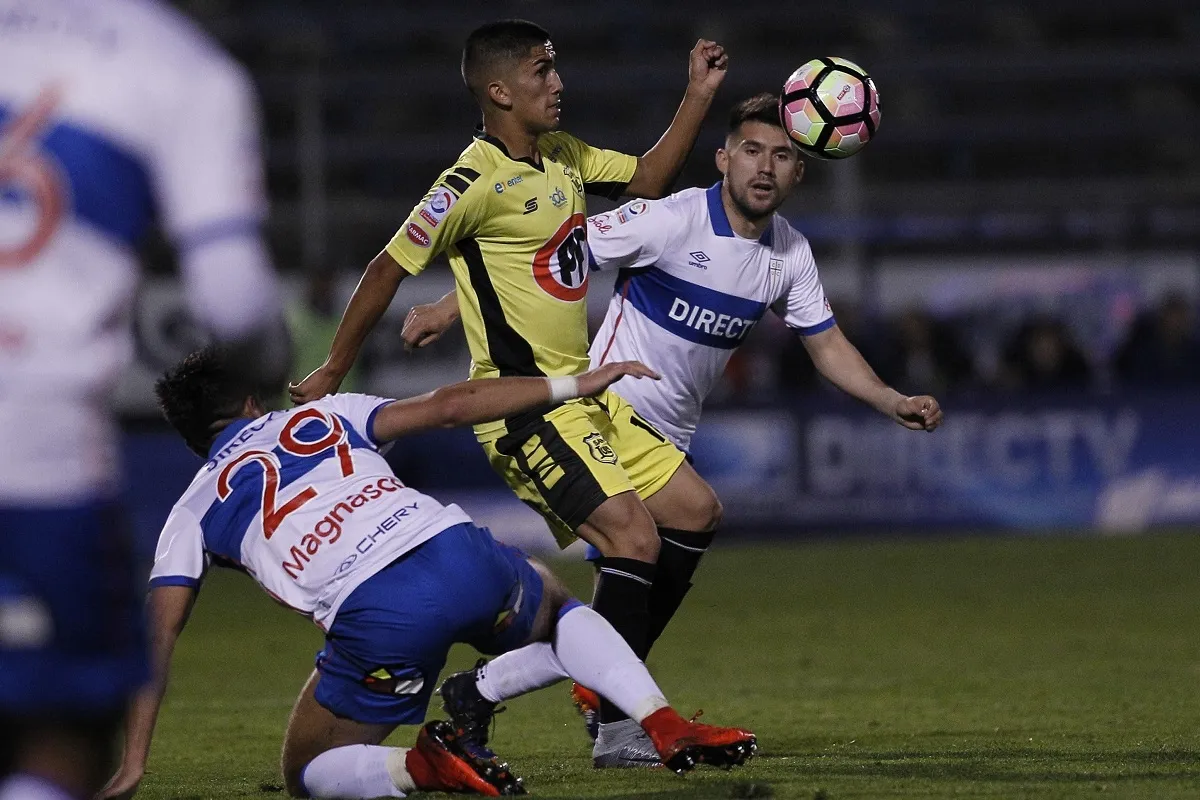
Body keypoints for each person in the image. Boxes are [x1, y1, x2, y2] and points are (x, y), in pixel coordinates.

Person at [404, 93, 944, 757]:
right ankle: (616, 719)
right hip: (600, 415)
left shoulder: (789, 255)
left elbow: (826, 344)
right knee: (666, 537)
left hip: (664, 439)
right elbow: (553, 254)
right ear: (723, 159)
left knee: (659, 562)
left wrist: (891, 400)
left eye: (781, 156)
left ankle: (500, 690)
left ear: (799, 172)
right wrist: (448, 306)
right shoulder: (669, 219)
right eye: (751, 150)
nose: (764, 167)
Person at [290, 19, 731, 766]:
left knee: (695, 511)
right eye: (540, 72)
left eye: (554, 69)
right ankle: (619, 728)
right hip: (524, 410)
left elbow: (648, 179)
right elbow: (387, 267)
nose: (557, 84)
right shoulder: (469, 182)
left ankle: (523, 686)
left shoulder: (563, 156)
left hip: (586, 394)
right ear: (499, 91)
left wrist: (696, 94)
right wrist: (334, 367)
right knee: (634, 539)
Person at [100, 347, 756, 799]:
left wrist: (133, 761)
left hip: (377, 615)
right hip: (455, 551)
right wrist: (573, 384)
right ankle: (657, 719)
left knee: (308, 770)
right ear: (250, 401)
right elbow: (449, 405)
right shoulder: (323, 415)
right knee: (561, 611)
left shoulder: (191, 510)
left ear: (191, 436)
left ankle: (423, 765)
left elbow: (156, 637)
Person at [0, 3, 286, 799]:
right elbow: (234, 299)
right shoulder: (182, 67)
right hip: (39, 459)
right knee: (62, 736)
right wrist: (263, 366)